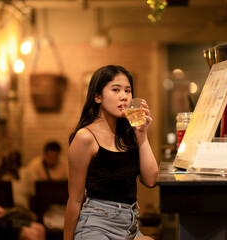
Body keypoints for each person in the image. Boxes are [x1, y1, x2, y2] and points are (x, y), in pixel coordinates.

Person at [63, 65, 158, 240]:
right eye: (116, 90)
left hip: (130, 227)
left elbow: (151, 179)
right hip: (96, 225)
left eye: (128, 91)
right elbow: (75, 199)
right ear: (97, 97)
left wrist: (142, 135)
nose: (124, 96)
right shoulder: (85, 137)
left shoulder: (129, 135)